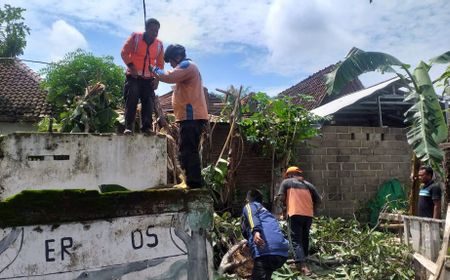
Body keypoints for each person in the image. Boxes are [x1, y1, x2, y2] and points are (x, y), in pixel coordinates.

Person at [150, 44, 208, 189]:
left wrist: (152, 68)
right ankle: (189, 180)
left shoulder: (187, 65)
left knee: (189, 150)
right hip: (188, 117)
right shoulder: (188, 66)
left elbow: (168, 76)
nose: (171, 65)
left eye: (171, 61)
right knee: (186, 149)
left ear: (177, 56)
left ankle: (193, 183)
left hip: (191, 116)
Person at [121, 18, 164, 134]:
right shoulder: (135, 37)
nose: (154, 33)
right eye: (152, 30)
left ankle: (147, 128)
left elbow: (160, 64)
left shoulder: (159, 45)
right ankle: (128, 127)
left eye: (156, 31)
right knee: (132, 100)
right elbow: (124, 52)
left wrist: (157, 79)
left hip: (148, 79)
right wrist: (132, 67)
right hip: (133, 77)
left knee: (148, 102)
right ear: (146, 29)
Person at [276, 166, 321, 276]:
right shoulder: (308, 185)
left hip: (295, 213)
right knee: (304, 237)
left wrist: (283, 210)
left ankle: (303, 266)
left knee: (296, 240)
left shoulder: (286, 182)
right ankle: (304, 259)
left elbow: (280, 198)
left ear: (289, 175)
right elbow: (319, 200)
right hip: (308, 215)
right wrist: (311, 210)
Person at [241, 189, 289, 280]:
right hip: (281, 253)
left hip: (266, 251)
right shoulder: (267, 213)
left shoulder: (250, 206)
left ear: (248, 199)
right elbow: (269, 230)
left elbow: (253, 217)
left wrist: (256, 232)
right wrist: (248, 244)